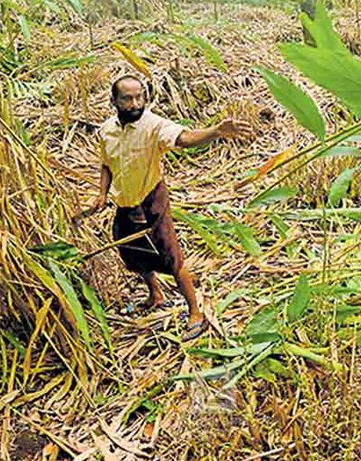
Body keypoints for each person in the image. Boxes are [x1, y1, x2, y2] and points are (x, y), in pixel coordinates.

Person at [86, 74, 252, 338]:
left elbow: (184, 138)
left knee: (171, 257)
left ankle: (195, 312)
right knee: (131, 252)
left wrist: (215, 131)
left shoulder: (153, 125)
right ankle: (156, 293)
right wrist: (101, 194)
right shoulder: (107, 130)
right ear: (113, 101)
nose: (135, 103)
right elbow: (107, 164)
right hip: (124, 204)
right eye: (127, 98)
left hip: (151, 201)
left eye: (139, 96)